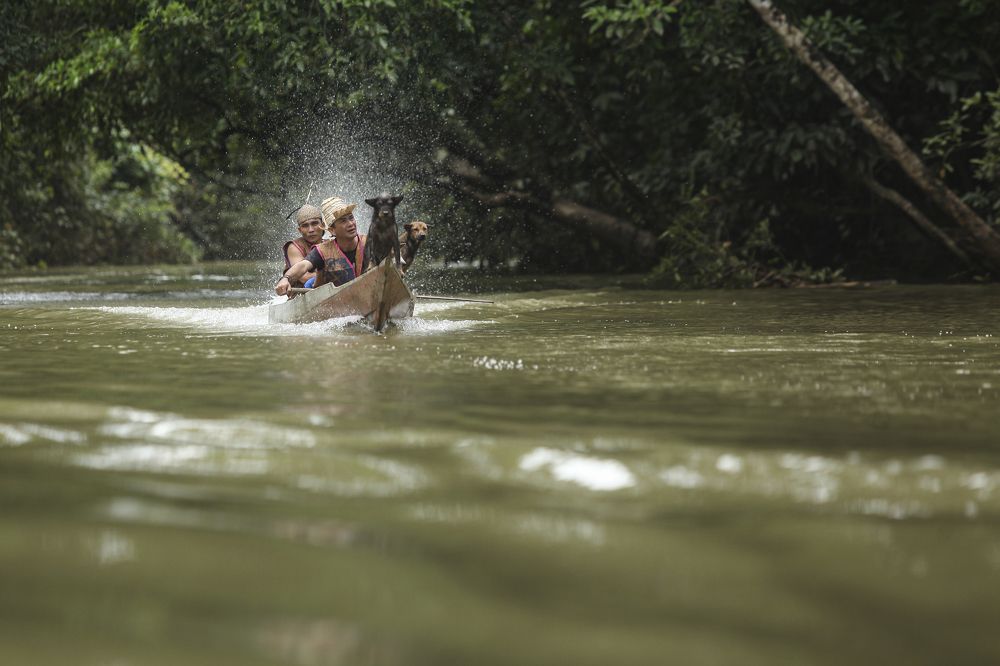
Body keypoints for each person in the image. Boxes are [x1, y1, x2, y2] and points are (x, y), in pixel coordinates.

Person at [275, 196, 369, 296]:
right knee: (309, 283)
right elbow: (303, 268)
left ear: (322, 226)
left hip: (354, 291)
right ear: (332, 230)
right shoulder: (321, 250)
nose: (351, 224)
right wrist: (285, 279)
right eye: (343, 221)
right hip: (310, 294)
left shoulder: (369, 242)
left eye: (351, 218)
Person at [281, 204, 324, 291]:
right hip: (301, 296)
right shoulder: (294, 247)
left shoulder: (330, 243)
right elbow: (304, 277)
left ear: (322, 225)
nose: (311, 230)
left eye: (314, 223)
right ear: (300, 230)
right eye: (305, 225)